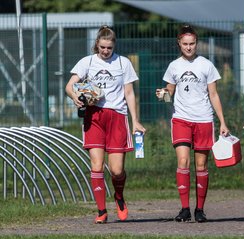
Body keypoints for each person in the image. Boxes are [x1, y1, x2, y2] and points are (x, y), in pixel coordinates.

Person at [65, 25, 146, 224]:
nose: (105, 51)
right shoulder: (87, 62)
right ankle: (101, 210)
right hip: (94, 117)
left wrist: (135, 121)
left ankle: (119, 196)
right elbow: (69, 85)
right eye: (102, 47)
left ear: (114, 46)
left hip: (117, 117)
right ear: (97, 45)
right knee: (97, 165)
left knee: (117, 170)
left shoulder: (123, 63)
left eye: (109, 48)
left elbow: (129, 93)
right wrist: (76, 97)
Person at [156, 25, 230, 223]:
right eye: (185, 44)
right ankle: (184, 208)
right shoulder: (174, 66)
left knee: (201, 164)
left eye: (192, 44)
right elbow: (169, 93)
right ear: (179, 44)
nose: (189, 47)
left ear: (196, 43)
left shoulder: (206, 65)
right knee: (183, 162)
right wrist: (163, 94)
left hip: (204, 119)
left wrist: (222, 121)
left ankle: (200, 209)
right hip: (181, 118)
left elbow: (213, 94)